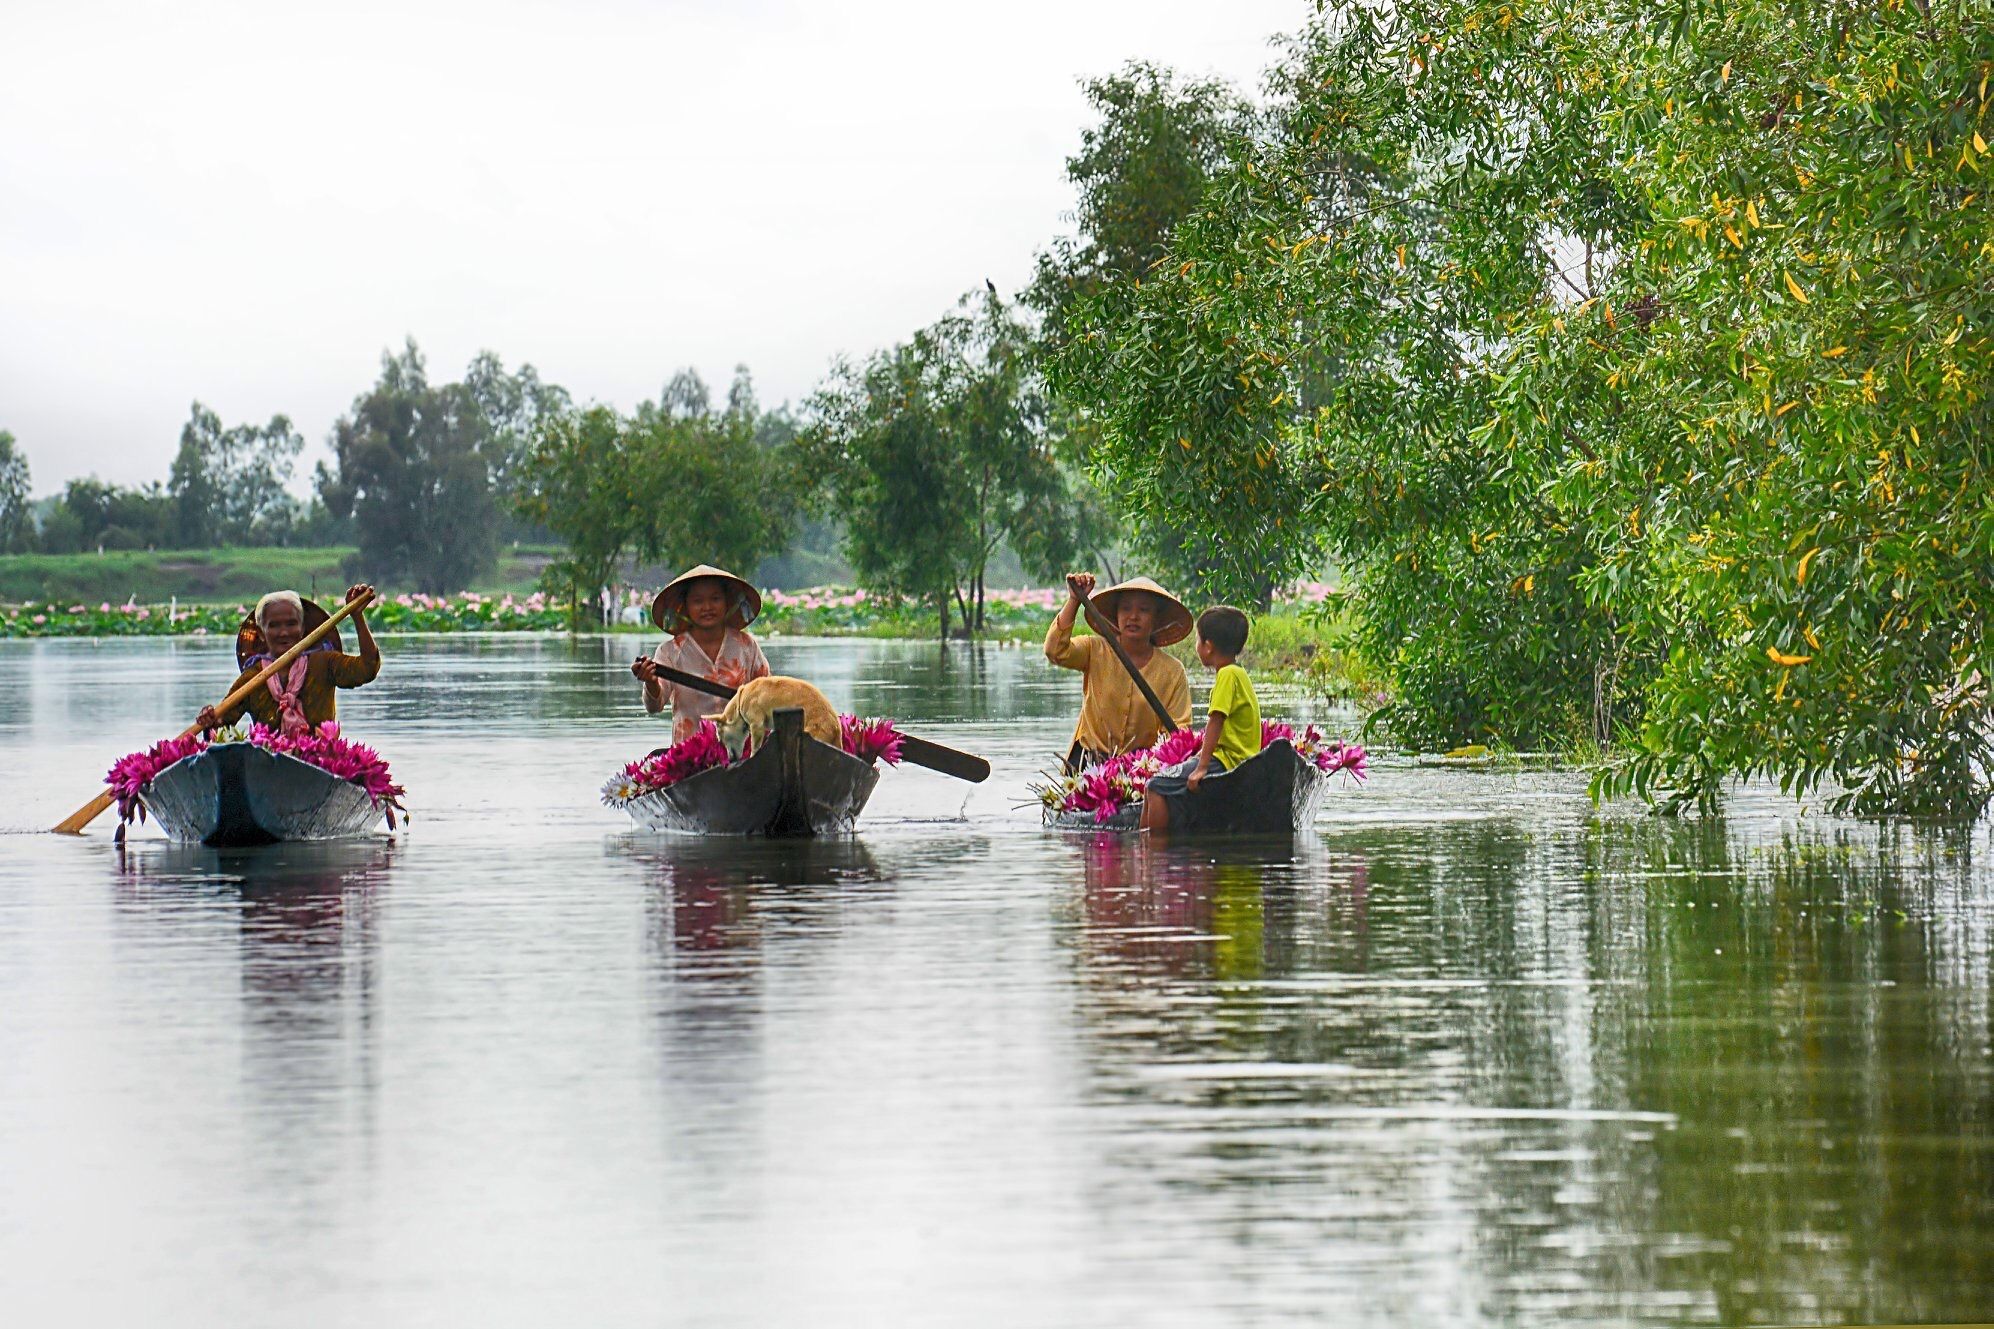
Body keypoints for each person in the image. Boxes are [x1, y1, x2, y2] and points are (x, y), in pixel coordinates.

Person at [1045, 572, 1193, 771]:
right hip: (1089, 762)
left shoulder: (1172, 671)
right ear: (1116, 615)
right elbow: (1056, 651)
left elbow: (1178, 730)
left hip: (1141, 766)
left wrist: (1154, 766)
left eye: (1144, 610)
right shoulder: (1094, 650)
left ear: (1155, 619)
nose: (1133, 616)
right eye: (1125, 609)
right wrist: (1074, 600)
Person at [1140, 605, 1261, 834]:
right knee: (1163, 784)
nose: (1197, 646)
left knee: (1155, 786)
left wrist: (1202, 767)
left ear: (1208, 646)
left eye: (1198, 639)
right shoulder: (1239, 673)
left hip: (1227, 760)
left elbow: (1216, 720)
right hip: (1239, 757)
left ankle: (1151, 852)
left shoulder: (1226, 675)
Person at [198, 583, 380, 735]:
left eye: (291, 624)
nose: (284, 632)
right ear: (261, 633)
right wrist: (210, 721)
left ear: (302, 629)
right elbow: (221, 727)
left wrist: (357, 617)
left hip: (321, 759)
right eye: (274, 626)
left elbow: (367, 668)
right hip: (269, 762)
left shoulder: (325, 663)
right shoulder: (252, 678)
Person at [632, 564, 771, 744]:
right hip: (690, 753)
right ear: (685, 607)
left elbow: (768, 694)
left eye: (715, 599)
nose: (707, 607)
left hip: (740, 749)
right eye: (697, 601)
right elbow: (654, 707)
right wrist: (650, 681)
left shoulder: (746, 645)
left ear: (727, 602)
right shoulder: (670, 652)